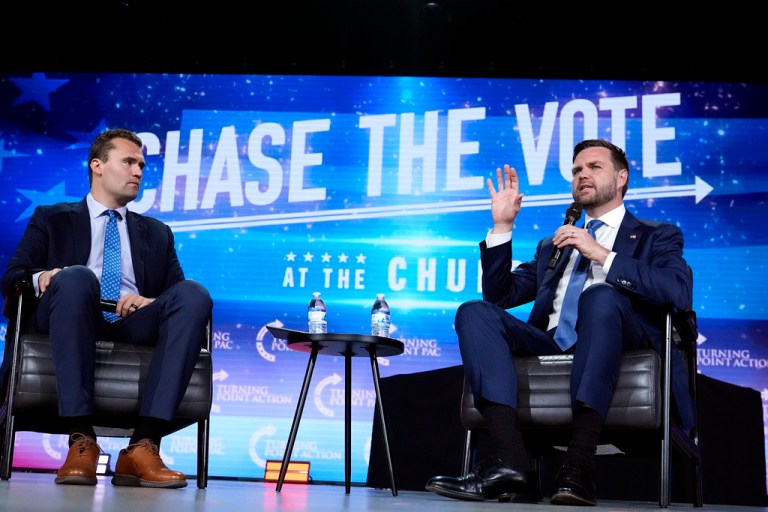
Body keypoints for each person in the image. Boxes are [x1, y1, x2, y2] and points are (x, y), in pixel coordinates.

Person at [425, 139, 694, 506]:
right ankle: (509, 458)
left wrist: (601, 254)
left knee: (600, 296)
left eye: (594, 167)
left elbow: (677, 290)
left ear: (621, 178)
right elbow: (499, 298)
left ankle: (579, 465)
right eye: (576, 170)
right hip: (553, 343)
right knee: (474, 312)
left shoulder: (656, 235)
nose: (582, 174)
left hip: (622, 341)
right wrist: (502, 226)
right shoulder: (555, 244)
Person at [0, 128, 213, 488]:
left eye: (141, 165)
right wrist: (45, 277)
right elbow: (13, 277)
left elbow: (176, 295)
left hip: (132, 321)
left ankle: (143, 446)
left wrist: (150, 301)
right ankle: (81, 440)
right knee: (77, 277)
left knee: (194, 294)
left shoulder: (157, 232)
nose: (138, 171)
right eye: (129, 162)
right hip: (69, 310)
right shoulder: (52, 217)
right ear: (97, 165)